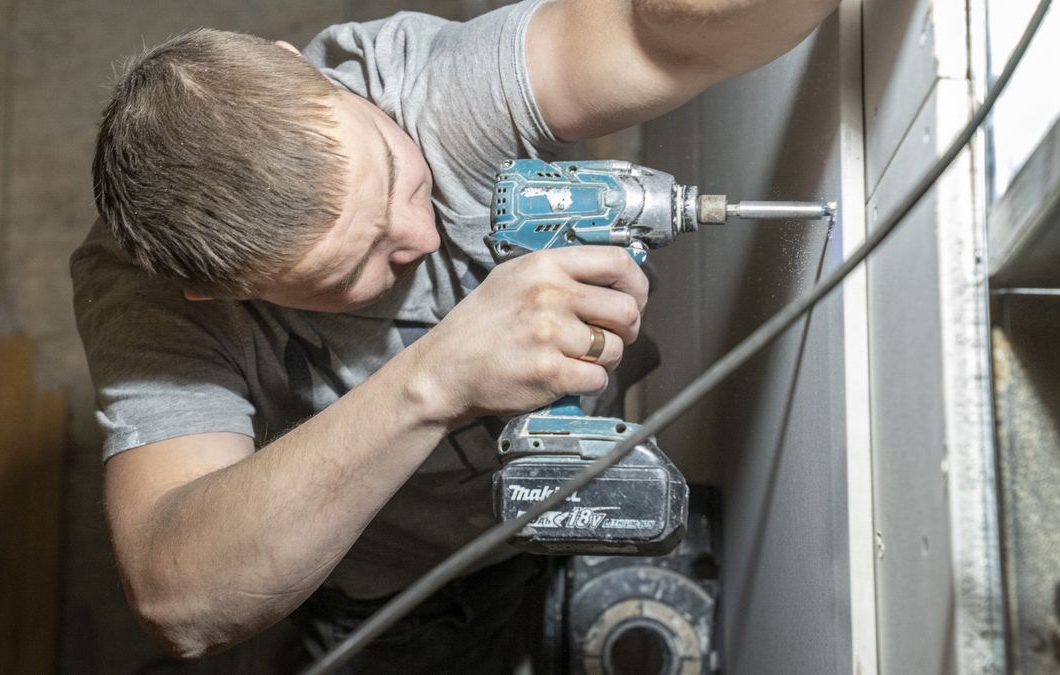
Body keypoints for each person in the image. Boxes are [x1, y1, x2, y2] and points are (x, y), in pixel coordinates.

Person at [72, 0, 839, 670]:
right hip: (407, 587)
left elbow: (655, 33)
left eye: (396, 174)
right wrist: (433, 380)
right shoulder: (150, 298)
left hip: (574, 487)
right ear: (218, 289)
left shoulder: (420, 85)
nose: (421, 234)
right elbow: (178, 598)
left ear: (295, 68)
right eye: (358, 265)